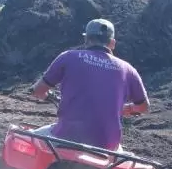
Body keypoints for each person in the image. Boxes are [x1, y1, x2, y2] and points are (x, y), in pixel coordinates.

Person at [30, 18, 149, 151]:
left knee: (26, 140)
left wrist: (42, 94)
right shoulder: (128, 69)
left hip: (65, 137)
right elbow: (144, 107)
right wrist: (128, 108)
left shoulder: (68, 57)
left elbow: (39, 90)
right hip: (108, 147)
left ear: (86, 40)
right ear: (112, 43)